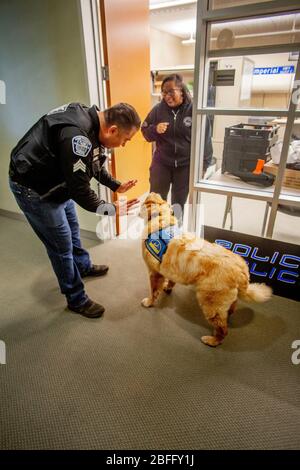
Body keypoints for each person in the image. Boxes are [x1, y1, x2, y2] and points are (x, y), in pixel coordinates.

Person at [9, 102, 140, 318]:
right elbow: (80, 190)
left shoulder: (93, 121)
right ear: (113, 130)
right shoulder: (76, 138)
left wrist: (115, 185)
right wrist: (110, 209)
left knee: (73, 228)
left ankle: (83, 266)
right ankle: (76, 298)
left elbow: (92, 164)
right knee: (61, 245)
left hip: (58, 182)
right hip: (34, 189)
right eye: (125, 140)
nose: (124, 145)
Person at [141, 73, 213, 221]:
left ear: (181, 90)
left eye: (171, 91)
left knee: (178, 205)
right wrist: (155, 129)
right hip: (161, 164)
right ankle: (155, 235)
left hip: (184, 166)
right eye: (164, 93)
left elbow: (205, 141)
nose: (167, 96)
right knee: (156, 202)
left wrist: (203, 166)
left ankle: (174, 234)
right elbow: (145, 132)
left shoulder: (195, 111)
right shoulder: (157, 110)